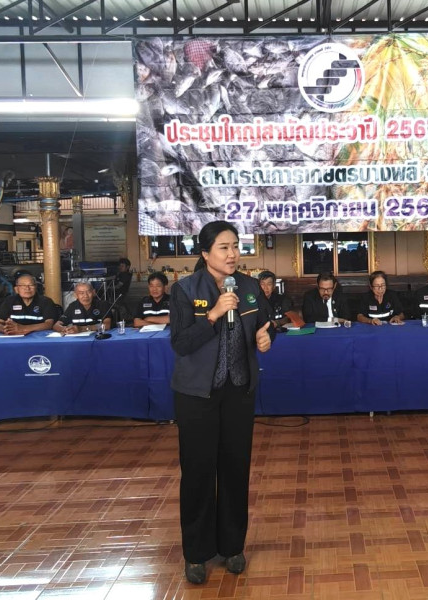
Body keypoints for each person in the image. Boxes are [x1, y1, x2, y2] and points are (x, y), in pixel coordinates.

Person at [169, 220, 274, 584]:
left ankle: (232, 546)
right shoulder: (185, 289)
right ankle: (197, 554)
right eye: (224, 248)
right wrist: (213, 315)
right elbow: (181, 343)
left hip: (237, 392)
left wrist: (266, 337)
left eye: (236, 246)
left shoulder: (248, 286)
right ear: (205, 253)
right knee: (198, 472)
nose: (232, 254)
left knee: (234, 469)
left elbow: (266, 324)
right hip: (197, 395)